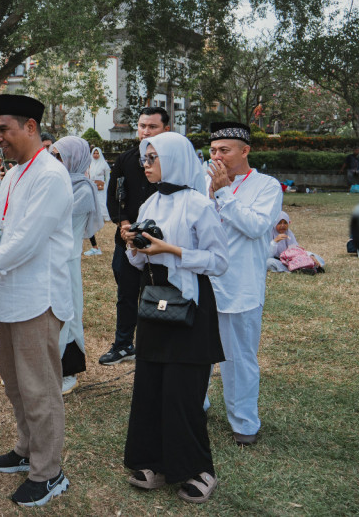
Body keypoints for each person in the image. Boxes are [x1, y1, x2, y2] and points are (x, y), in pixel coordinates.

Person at [0, 95, 73, 506]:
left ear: (30, 127)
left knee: (39, 387)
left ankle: (49, 471)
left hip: (37, 296)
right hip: (9, 294)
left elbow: (27, 242)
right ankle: (26, 448)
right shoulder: (16, 174)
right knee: (14, 380)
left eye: (4, 129)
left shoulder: (50, 175)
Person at [123, 131, 228, 505]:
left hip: (189, 307)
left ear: (176, 159)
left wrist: (172, 249)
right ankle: (156, 462)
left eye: (153, 158)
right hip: (154, 304)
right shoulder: (149, 202)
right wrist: (132, 244)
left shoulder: (199, 205)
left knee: (183, 393)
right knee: (150, 388)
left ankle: (199, 470)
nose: (146, 165)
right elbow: (140, 261)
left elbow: (218, 262)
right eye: (144, 159)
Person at [206, 121, 282, 446]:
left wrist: (223, 193)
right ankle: (195, 406)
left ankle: (245, 424)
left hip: (241, 287)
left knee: (238, 359)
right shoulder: (204, 182)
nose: (217, 156)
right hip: (204, 282)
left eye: (224, 150)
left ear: (245, 151)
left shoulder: (267, 186)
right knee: (195, 354)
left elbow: (254, 227)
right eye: (213, 150)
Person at [100, 108, 170, 365]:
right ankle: (123, 344)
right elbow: (115, 196)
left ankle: (154, 346)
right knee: (126, 292)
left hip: (161, 243)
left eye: (152, 126)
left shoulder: (173, 163)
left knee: (158, 294)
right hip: (126, 240)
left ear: (166, 130)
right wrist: (124, 224)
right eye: (142, 126)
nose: (146, 131)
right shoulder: (125, 160)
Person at [51, 137, 104, 395]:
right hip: (48, 260)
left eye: (59, 156)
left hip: (67, 260)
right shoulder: (53, 183)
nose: (53, 161)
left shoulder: (83, 189)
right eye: (52, 155)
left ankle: (67, 371)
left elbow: (54, 218)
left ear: (73, 159)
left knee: (67, 314)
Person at [84, 147, 112, 257]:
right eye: (94, 153)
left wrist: (107, 185)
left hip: (101, 186)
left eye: (97, 153)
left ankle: (104, 216)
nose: (95, 155)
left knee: (101, 202)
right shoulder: (90, 164)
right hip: (92, 184)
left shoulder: (103, 164)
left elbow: (107, 176)